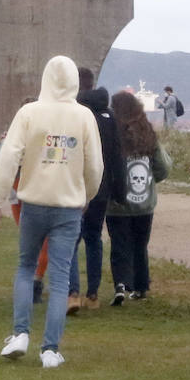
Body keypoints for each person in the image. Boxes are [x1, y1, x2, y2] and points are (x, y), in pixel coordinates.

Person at [0, 55, 103, 369]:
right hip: (68, 206)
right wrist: (87, 195)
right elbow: (94, 165)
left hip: (33, 203)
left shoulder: (29, 112)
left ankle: (20, 334)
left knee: (26, 267)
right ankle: (50, 350)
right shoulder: (84, 117)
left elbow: (9, 157)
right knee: (61, 277)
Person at [65, 67, 127, 313]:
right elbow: (117, 157)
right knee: (93, 238)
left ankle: (72, 293)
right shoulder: (109, 115)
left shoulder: (73, 114)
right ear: (93, 84)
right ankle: (92, 294)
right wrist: (119, 190)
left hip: (74, 187)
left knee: (70, 239)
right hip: (100, 187)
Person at [106, 90, 172, 304]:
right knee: (140, 244)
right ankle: (141, 286)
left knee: (119, 244)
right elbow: (163, 166)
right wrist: (152, 182)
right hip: (144, 203)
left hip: (117, 202)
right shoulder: (148, 133)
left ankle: (120, 284)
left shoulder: (111, 133)